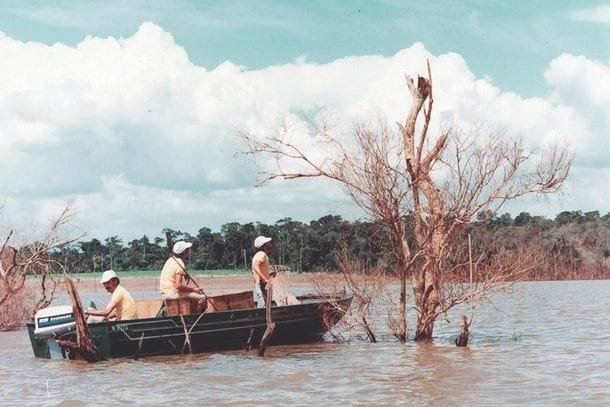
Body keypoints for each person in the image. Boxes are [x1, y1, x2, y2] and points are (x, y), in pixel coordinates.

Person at [159, 240, 207, 312]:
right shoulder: (180, 263)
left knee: (193, 294)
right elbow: (178, 285)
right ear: (184, 252)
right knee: (202, 297)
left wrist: (185, 274)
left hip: (164, 292)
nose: (189, 252)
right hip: (171, 293)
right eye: (187, 250)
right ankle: (196, 316)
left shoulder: (171, 259)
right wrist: (193, 289)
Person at [251, 236, 276, 308]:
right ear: (264, 246)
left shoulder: (260, 254)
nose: (270, 244)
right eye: (268, 243)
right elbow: (255, 266)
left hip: (262, 283)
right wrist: (265, 279)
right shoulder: (261, 254)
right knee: (263, 305)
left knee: (265, 303)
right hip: (261, 283)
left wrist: (269, 274)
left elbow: (258, 270)